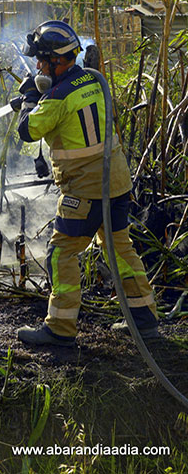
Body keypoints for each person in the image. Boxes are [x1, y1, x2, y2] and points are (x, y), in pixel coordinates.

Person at [10, 20, 159, 346]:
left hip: (85, 191)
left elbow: (28, 131)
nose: (37, 66)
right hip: (116, 184)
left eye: (41, 60)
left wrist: (30, 100)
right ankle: (144, 318)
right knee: (120, 248)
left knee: (61, 253)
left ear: (57, 61)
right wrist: (40, 94)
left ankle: (60, 329)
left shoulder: (57, 98)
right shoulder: (93, 82)